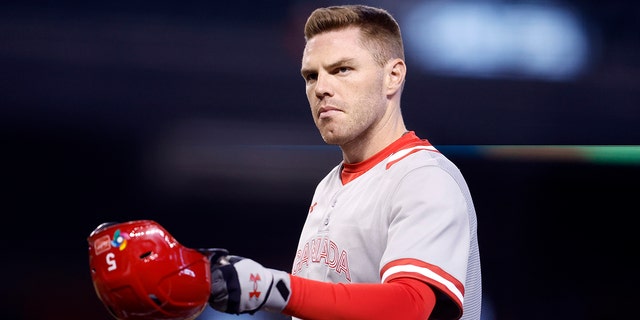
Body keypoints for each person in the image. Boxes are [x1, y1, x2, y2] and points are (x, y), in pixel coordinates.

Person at [207, 4, 482, 320]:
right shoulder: (328, 187)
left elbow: (410, 305)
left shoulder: (423, 177)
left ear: (393, 76)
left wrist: (271, 287)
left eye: (342, 70)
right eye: (311, 76)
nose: (321, 88)